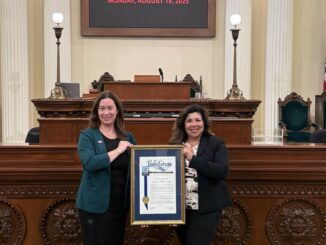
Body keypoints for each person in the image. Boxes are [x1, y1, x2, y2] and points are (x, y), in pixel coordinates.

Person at [76, 91, 136, 245]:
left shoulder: (127, 137)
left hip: (119, 206)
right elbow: (89, 163)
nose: (106, 112)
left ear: (117, 111)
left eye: (110, 108)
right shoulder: (88, 135)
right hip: (95, 206)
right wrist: (118, 150)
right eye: (102, 108)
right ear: (96, 111)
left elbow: (137, 168)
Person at [169, 104, 232, 245]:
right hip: (181, 210)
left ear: (204, 122)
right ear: (183, 124)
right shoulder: (175, 145)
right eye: (189, 120)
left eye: (198, 120)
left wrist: (193, 159)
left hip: (206, 208)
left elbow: (222, 171)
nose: (194, 124)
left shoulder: (216, 143)